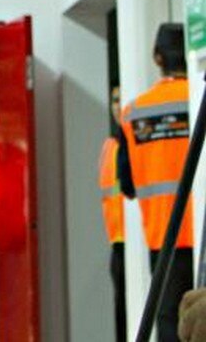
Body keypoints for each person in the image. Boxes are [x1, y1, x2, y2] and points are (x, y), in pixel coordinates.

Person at [118, 23, 192, 342]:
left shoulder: (133, 113)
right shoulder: (197, 99)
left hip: (165, 237)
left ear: (157, 58)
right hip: (200, 231)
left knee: (169, 320)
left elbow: (128, 185)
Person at [100, 86, 126, 342]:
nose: (118, 105)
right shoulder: (109, 147)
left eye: (122, 98)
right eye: (114, 100)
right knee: (121, 316)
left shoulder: (134, 142)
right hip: (118, 244)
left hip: (141, 242)